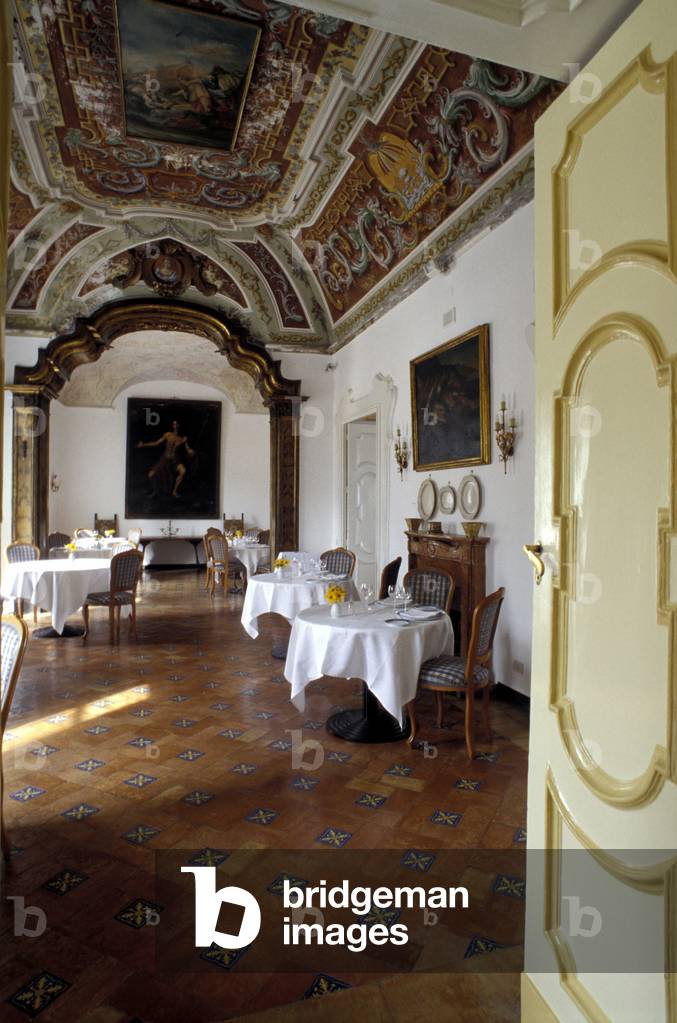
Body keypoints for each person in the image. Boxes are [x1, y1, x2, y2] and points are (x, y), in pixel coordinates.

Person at [137, 420, 195, 498]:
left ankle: (174, 492)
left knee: (183, 471)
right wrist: (143, 444)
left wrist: (191, 451)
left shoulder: (182, 439)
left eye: (176, 424)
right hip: (164, 459)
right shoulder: (168, 434)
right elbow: (156, 443)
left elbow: (188, 450)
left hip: (175, 460)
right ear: (172, 426)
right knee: (150, 474)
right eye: (174, 424)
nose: (175, 425)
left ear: (179, 425)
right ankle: (156, 491)